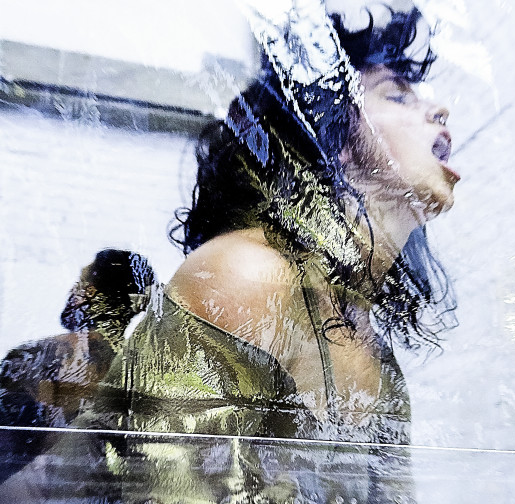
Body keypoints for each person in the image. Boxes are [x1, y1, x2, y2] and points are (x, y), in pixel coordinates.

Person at [1, 5, 459, 502]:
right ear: (335, 139)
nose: (439, 110)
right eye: (397, 95)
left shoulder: (377, 359)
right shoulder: (248, 276)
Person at [0, 249, 155, 483]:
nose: (73, 289)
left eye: (82, 282)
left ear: (90, 293)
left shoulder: (30, 358)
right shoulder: (141, 376)